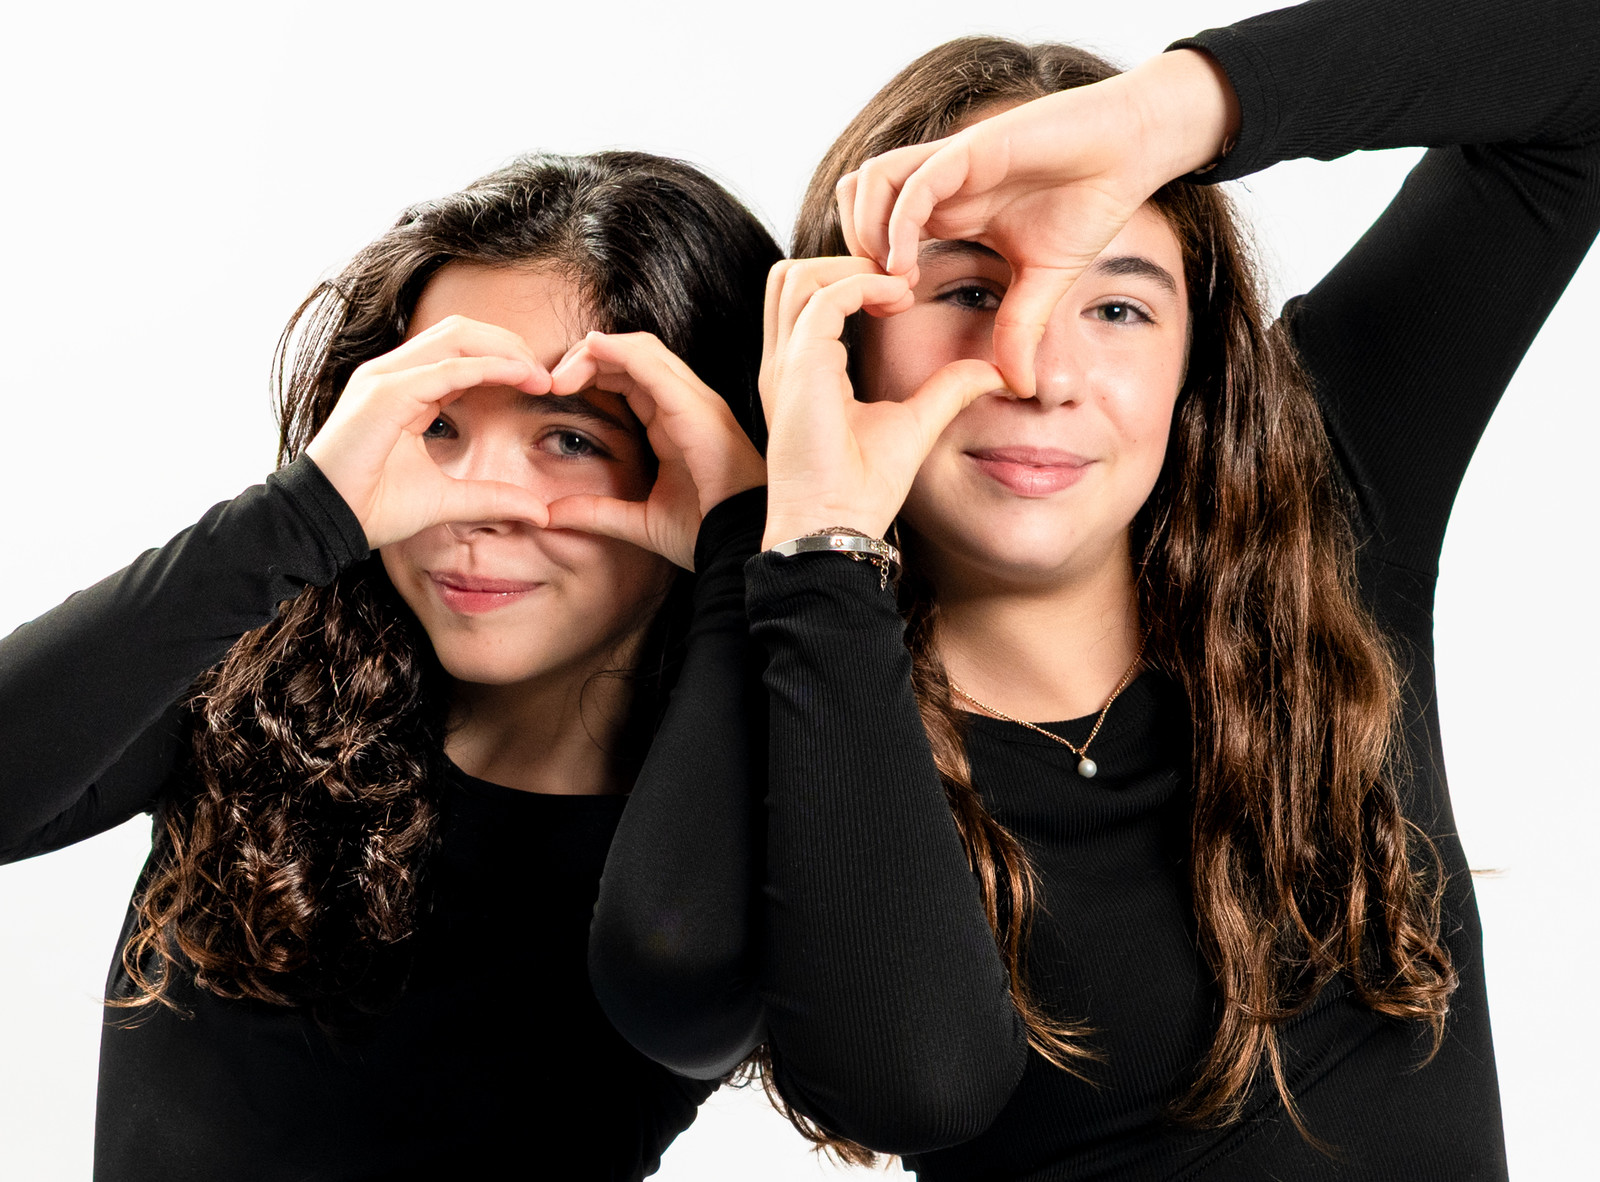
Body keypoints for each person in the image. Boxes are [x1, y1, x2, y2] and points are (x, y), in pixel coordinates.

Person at [590, 0, 1600, 1177]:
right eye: (964, 292)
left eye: (1116, 305)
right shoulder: (807, 706)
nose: (1037, 368)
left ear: (1194, 358)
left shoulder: (1326, 508)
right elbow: (905, 1079)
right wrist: (801, 543)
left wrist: (1163, 117)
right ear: (836, 340)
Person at [0, 150, 780, 1180]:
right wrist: (303, 513)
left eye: (570, 439)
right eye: (441, 426)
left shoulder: (743, 804)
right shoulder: (270, 677)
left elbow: (682, 979)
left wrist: (746, 545)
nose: (474, 501)